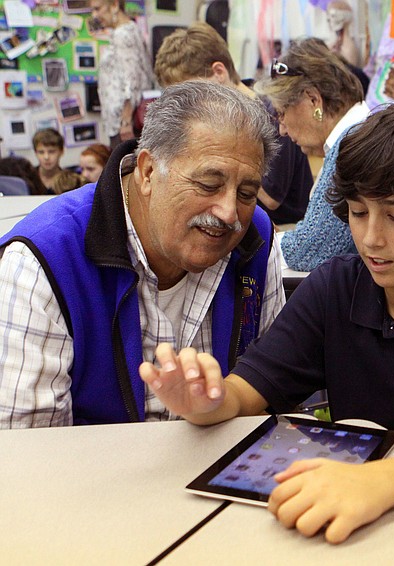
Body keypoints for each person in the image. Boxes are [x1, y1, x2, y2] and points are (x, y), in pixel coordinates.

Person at [139, 104, 394, 544]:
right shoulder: (335, 287)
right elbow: (248, 392)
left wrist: (382, 481)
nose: (371, 238)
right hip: (375, 518)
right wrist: (208, 400)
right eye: (358, 213)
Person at [0, 81, 285, 428]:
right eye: (209, 185)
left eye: (246, 192)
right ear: (148, 171)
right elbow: (27, 448)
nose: (229, 213)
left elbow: (274, 387)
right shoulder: (43, 260)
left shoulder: (254, 236)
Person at [154, 22, 313, 228]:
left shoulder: (272, 111)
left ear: (219, 72)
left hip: (286, 227)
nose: (188, 105)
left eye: (193, 93)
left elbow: (273, 198)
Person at [254, 38, 368, 271]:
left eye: (282, 113)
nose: (282, 130)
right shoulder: (361, 132)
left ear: (313, 100)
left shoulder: (349, 146)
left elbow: (309, 251)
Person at [89, 0, 155, 148]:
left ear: (114, 5)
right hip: (122, 121)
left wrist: (125, 121)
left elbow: (132, 80)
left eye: (98, 9)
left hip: (124, 123)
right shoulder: (129, 30)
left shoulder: (122, 34)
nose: (95, 15)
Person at [32, 127, 65, 192]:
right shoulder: (28, 180)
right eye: (41, 152)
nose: (46, 157)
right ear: (35, 153)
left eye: (51, 152)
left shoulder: (68, 181)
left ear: (61, 152)